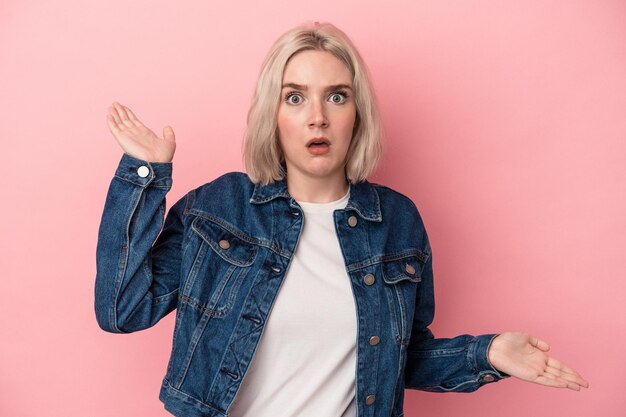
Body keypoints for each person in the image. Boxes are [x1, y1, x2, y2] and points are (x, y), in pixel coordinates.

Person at [95, 21, 588, 417]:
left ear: (358, 113)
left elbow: (399, 357)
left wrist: (490, 353)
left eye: (336, 96)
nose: (317, 117)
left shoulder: (396, 221)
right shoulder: (219, 208)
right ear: (273, 114)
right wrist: (147, 174)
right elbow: (123, 311)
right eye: (295, 97)